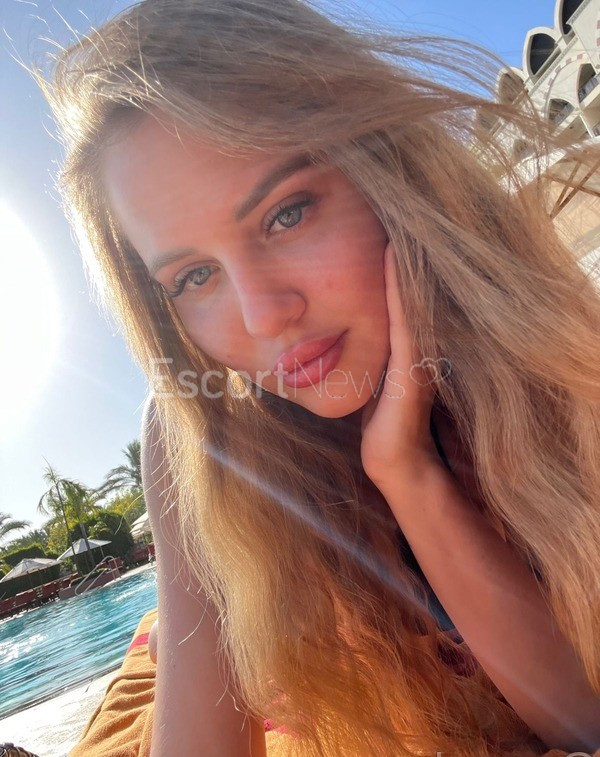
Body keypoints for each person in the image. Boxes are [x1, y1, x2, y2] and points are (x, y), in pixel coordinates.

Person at [37, 0, 600, 754]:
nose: (264, 315)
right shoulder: (205, 434)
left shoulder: (543, 346)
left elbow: (585, 723)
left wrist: (408, 472)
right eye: (195, 276)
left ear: (383, 170)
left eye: (287, 214)